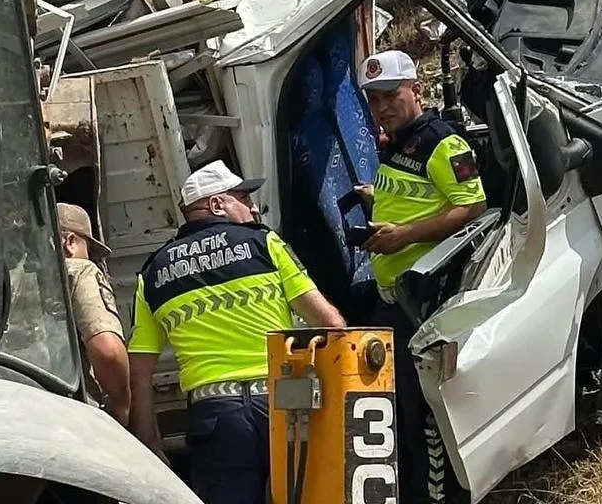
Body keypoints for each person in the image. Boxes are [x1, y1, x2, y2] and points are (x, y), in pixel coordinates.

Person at [126, 161, 346, 504]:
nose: (254, 208)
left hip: (215, 414)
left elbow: (138, 375)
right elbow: (332, 325)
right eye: (243, 198)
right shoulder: (264, 244)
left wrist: (149, 443)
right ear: (217, 204)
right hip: (289, 398)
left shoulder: (152, 273)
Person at [355, 49, 487, 503]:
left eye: (390, 95)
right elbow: (420, 195)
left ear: (416, 90)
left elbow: (472, 206)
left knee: (422, 414)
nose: (382, 107)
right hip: (394, 299)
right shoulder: (398, 142)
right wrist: (376, 198)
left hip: (426, 301)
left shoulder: (443, 143)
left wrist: (404, 236)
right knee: (398, 409)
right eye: (373, 100)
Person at [56, 202, 130, 425]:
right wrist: (122, 405)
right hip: (71, 414)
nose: (90, 258)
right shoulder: (77, 270)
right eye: (88, 249)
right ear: (69, 242)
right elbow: (108, 350)